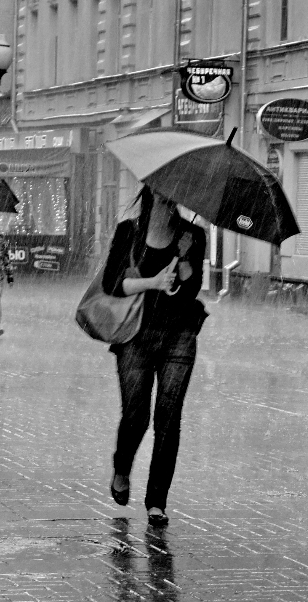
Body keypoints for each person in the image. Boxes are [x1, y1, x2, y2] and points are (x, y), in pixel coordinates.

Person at [103, 186, 207, 527]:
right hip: (136, 335)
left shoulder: (192, 234)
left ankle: (157, 501)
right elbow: (113, 284)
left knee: (168, 415)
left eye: (171, 195)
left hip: (179, 336)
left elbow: (190, 291)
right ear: (149, 192)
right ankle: (122, 467)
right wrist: (153, 282)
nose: (167, 200)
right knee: (136, 416)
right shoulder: (129, 232)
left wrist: (187, 257)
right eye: (161, 193)